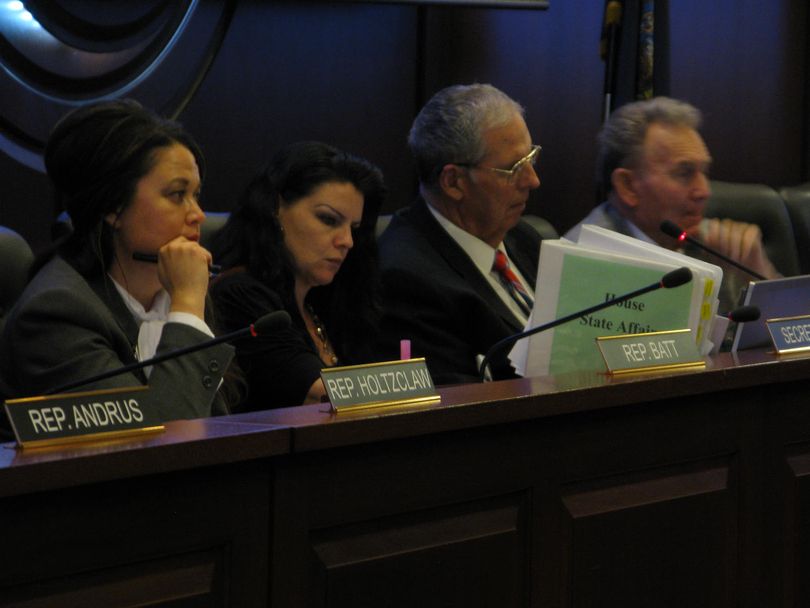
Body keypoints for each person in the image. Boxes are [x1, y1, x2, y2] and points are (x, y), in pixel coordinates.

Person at [0, 99, 235, 421]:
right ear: (113, 207)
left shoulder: (175, 290)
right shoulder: (56, 313)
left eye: (196, 194)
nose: (197, 214)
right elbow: (162, 443)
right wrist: (189, 306)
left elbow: (219, 427)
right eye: (177, 195)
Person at [377, 83, 543, 385]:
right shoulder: (406, 279)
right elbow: (456, 405)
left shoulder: (526, 239)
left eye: (530, 158)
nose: (533, 180)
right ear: (453, 182)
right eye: (513, 168)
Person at [209, 141, 385, 410]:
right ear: (275, 209)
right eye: (328, 220)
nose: (348, 241)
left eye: (354, 228)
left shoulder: (327, 303)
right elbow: (320, 394)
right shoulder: (239, 294)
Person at [564, 96, 780, 310]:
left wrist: (759, 277)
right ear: (628, 186)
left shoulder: (714, 244)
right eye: (684, 173)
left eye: (704, 172)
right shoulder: (583, 260)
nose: (704, 191)